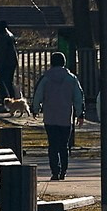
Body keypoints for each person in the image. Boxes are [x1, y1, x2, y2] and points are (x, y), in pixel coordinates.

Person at [34, 52, 82, 180]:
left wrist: (35, 109)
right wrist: (80, 113)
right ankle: (64, 171)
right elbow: (78, 96)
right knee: (64, 145)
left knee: (52, 145)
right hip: (65, 116)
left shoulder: (45, 78)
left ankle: (55, 171)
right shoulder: (71, 78)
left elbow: (38, 94)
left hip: (50, 116)